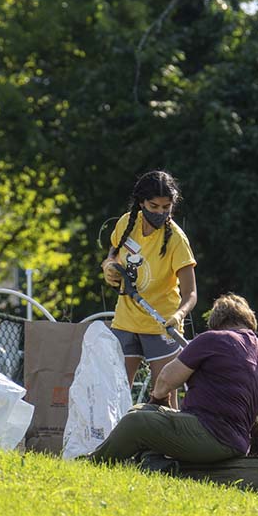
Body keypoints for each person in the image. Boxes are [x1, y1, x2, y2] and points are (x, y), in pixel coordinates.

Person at [87, 293, 258, 468]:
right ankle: (153, 462)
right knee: (143, 412)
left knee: (136, 420)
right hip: (237, 445)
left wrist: (158, 400)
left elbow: (166, 379)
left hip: (208, 435)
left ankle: (94, 463)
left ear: (217, 322)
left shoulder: (213, 339)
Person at [101, 170, 197, 408]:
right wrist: (108, 266)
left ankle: (168, 445)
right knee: (116, 391)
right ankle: (117, 444)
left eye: (166, 207)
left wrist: (178, 315)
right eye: (153, 206)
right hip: (126, 320)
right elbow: (113, 253)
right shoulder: (126, 223)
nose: (160, 213)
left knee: (164, 397)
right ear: (141, 203)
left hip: (162, 325)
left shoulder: (176, 239)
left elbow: (191, 294)